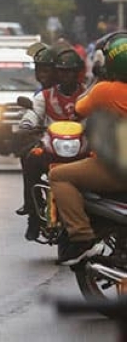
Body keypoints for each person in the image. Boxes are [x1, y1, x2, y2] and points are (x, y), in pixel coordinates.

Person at [50, 33, 127, 266]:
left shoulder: (105, 90)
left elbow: (79, 107)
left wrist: (98, 77)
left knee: (59, 176)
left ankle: (82, 238)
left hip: (115, 169)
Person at [15, 47, 86, 241]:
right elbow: (33, 114)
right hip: (50, 149)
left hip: (81, 151)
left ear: (78, 72)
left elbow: (97, 115)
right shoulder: (44, 96)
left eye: (71, 72)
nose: (66, 76)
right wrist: (27, 125)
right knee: (30, 158)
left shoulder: (88, 94)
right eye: (62, 71)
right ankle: (33, 210)